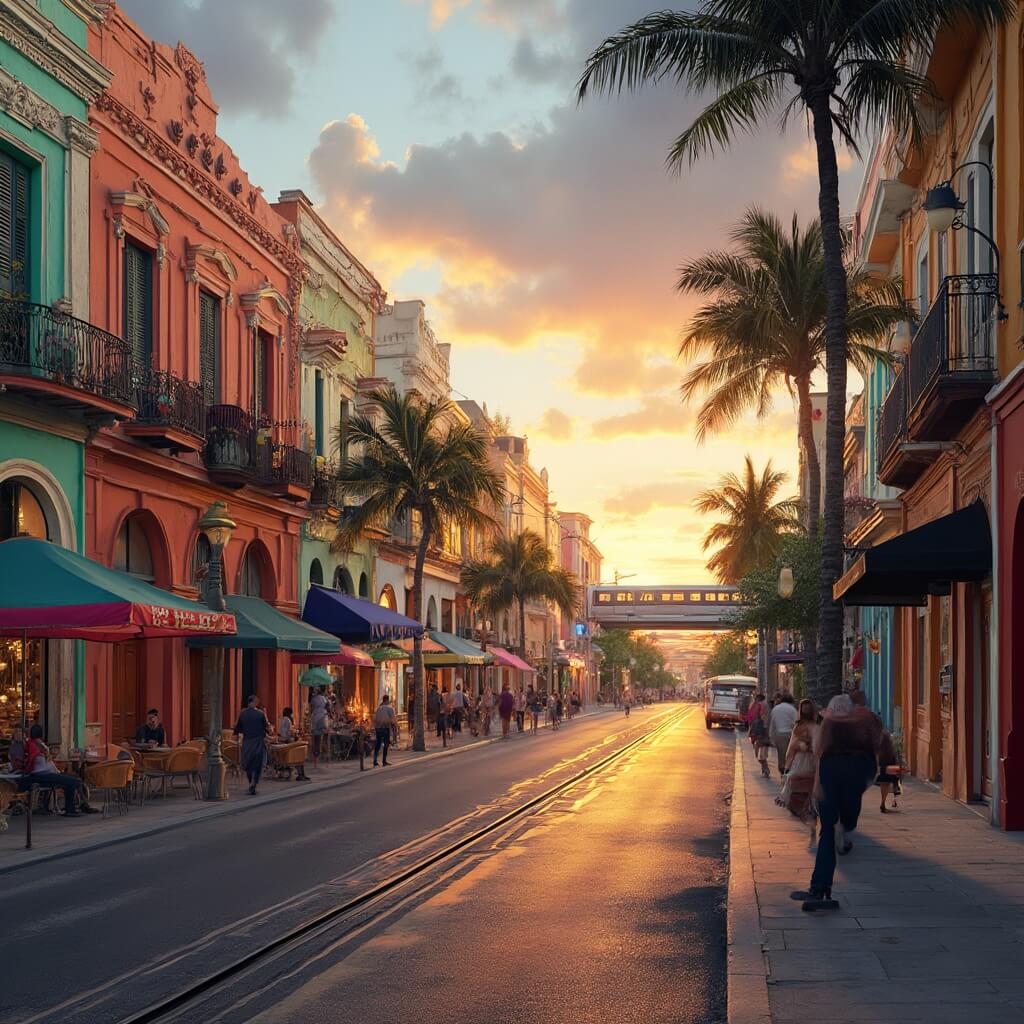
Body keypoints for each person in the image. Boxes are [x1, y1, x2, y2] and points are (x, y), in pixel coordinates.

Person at [792, 694, 882, 909]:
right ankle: (819, 887)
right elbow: (821, 754)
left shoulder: (851, 724)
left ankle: (819, 887)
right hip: (848, 773)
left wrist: (817, 786)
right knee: (831, 829)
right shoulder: (846, 725)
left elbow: (820, 755)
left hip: (836, 774)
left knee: (833, 828)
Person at [19, 724, 93, 816]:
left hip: (45, 773)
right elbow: (40, 763)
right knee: (71, 781)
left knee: (76, 780)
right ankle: (70, 809)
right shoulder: (34, 746)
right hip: (40, 775)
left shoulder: (38, 744)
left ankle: (82, 804)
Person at [780, 699, 818, 821]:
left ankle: (808, 807)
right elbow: (793, 746)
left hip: (808, 760)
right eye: (804, 707)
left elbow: (793, 747)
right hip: (804, 760)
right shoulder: (802, 727)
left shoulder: (811, 726)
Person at [233, 695, 271, 795]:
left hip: (247, 741)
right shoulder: (260, 714)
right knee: (257, 763)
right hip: (258, 741)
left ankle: (251, 782)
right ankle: (254, 781)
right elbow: (267, 728)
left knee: (248, 763)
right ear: (254, 702)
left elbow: (237, 729)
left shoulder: (243, 714)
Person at [768, 693, 798, 774]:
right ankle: (788, 771)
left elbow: (772, 724)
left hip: (779, 735)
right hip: (790, 734)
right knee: (790, 755)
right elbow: (797, 722)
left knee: (781, 755)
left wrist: (771, 737)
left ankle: (782, 771)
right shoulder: (792, 709)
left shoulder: (775, 709)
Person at [373, 695, 396, 767]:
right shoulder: (390, 709)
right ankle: (384, 761)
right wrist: (394, 728)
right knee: (386, 745)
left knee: (378, 744)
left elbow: (375, 719)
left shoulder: (378, 709)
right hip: (385, 728)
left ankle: (375, 761)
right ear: (387, 700)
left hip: (378, 728)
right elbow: (393, 720)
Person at [309, 687, 329, 769]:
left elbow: (311, 709)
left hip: (316, 721)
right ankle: (324, 756)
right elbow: (327, 707)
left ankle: (316, 761)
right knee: (323, 739)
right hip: (324, 720)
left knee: (316, 740)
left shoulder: (313, 699)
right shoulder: (324, 699)